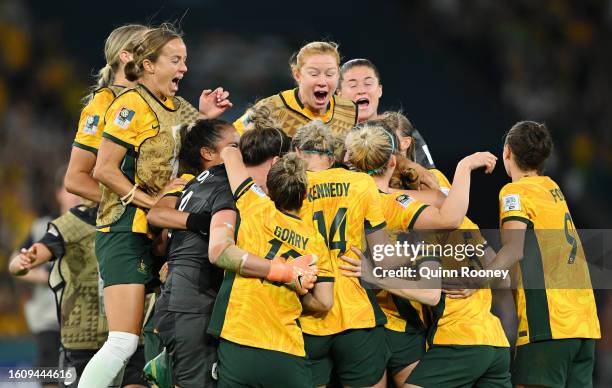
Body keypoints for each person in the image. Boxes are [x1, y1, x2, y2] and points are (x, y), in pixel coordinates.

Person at [78, 24, 231, 387]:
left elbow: (199, 150)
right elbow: (103, 169)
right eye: (175, 60)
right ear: (148, 65)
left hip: (160, 235)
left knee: (151, 338)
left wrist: (207, 118)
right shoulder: (129, 104)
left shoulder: (177, 106)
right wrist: (152, 205)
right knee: (122, 340)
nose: (184, 68)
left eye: (186, 60)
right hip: (123, 229)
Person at [148, 120, 319, 387]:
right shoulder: (230, 188)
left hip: (179, 301)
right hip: (195, 306)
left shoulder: (197, 182)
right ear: (274, 164)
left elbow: (160, 235)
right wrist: (283, 271)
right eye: (233, 147)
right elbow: (220, 251)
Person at [344, 122, 510, 387]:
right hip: (492, 340)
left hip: (438, 334)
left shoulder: (380, 203)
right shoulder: (428, 212)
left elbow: (430, 292)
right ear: (391, 163)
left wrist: (373, 274)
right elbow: (503, 277)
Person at [291, 120, 439, 388]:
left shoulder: (289, 186)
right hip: (356, 313)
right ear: (334, 154)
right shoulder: (360, 183)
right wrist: (421, 254)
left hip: (306, 312)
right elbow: (382, 256)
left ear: (296, 151)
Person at [480, 121, 600, 388]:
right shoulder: (551, 188)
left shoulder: (515, 191)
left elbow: (513, 249)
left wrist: (475, 281)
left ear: (507, 152)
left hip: (550, 325)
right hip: (584, 323)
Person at [208, 147, 334, 387]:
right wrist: (295, 288)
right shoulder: (315, 241)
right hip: (286, 347)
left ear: (269, 188)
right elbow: (325, 302)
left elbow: (229, 153)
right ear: (305, 194)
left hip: (239, 339)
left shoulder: (254, 204)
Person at [8, 167, 79, 388]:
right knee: (50, 377)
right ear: (59, 193)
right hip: (49, 320)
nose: (75, 194)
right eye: (70, 189)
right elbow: (16, 261)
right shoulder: (42, 227)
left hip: (83, 321)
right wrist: (47, 276)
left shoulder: (96, 226)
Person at [64, 24, 148, 204]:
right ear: (126, 56)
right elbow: (75, 178)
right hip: (118, 225)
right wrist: (129, 205)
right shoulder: (103, 103)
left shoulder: (158, 101)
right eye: (148, 49)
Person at [234, 41, 357, 137]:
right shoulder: (270, 109)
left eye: (330, 74)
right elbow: (228, 142)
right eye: (314, 74)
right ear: (297, 74)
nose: (322, 82)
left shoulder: (350, 111)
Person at [337, 59, 435, 169]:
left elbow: (433, 181)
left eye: (368, 83)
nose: (361, 90)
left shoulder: (401, 131)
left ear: (380, 90)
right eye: (353, 85)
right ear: (339, 94)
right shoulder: (329, 139)